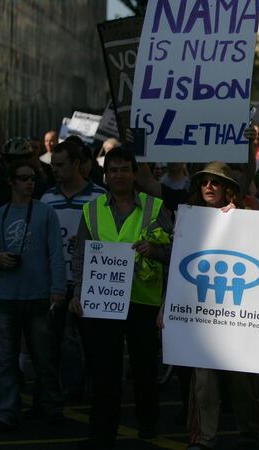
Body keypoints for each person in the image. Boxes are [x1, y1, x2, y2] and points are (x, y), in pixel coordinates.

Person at [70, 147, 173, 449]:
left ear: (134, 172)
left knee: (144, 367)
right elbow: (80, 255)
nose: (119, 175)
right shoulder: (91, 210)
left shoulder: (155, 208)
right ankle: (102, 431)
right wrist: (78, 291)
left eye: (125, 169)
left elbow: (175, 252)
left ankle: (147, 421)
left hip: (144, 301)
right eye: (113, 170)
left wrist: (154, 251)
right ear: (105, 175)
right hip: (104, 302)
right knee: (105, 369)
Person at [0, 161, 66, 432]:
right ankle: (5, 412)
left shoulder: (45, 213)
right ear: (11, 182)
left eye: (32, 178)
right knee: (5, 359)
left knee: (44, 357)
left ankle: (50, 407)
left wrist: (58, 288)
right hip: (7, 297)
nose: (30, 183)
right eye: (23, 178)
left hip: (38, 295)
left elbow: (56, 253)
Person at [184, 161, 259, 450]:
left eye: (215, 183)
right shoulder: (190, 220)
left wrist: (241, 218)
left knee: (240, 378)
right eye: (204, 182)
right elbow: (179, 267)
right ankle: (204, 438)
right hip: (203, 311)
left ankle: (248, 430)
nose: (208, 187)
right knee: (204, 381)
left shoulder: (246, 215)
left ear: (228, 189)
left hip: (238, 310)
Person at [40, 141, 107, 400]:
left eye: (60, 165)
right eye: (53, 166)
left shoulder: (100, 198)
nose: (55, 170)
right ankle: (68, 390)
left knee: (93, 343)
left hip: (91, 282)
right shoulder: (47, 199)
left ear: (77, 165)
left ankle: (94, 389)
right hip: (58, 283)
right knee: (57, 342)